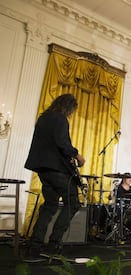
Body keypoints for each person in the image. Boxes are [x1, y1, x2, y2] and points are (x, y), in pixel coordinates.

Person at [24, 93, 85, 262]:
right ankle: (53, 245)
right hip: (58, 170)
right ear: (69, 107)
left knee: (49, 206)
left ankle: (34, 249)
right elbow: (62, 144)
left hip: (43, 170)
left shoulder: (43, 119)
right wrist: (78, 156)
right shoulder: (60, 119)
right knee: (73, 203)